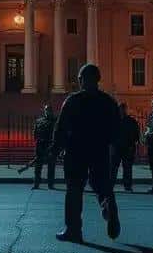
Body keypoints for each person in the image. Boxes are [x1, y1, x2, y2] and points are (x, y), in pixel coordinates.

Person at [51, 63, 120, 243]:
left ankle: (73, 229)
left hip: (76, 150)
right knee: (101, 183)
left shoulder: (73, 100)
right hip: (100, 149)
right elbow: (116, 130)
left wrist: (55, 147)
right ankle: (107, 204)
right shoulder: (108, 102)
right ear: (98, 80)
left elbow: (61, 127)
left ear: (81, 80)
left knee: (74, 188)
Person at [110, 103, 140, 191]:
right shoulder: (115, 121)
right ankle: (111, 184)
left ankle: (127, 185)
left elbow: (135, 134)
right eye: (120, 109)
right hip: (117, 147)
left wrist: (133, 143)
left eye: (123, 109)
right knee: (114, 167)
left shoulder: (130, 121)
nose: (121, 111)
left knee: (126, 167)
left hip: (128, 147)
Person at [32, 104, 57, 189]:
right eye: (46, 110)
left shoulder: (55, 121)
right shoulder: (39, 121)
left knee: (51, 166)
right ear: (44, 111)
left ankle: (50, 184)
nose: (47, 111)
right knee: (38, 167)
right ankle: (36, 183)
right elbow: (35, 132)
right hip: (40, 146)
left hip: (50, 145)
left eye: (49, 110)